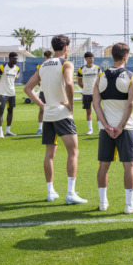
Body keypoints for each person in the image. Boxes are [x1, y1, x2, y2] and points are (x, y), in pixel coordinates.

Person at [24, 35, 87, 204]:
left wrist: (42, 105)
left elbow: (27, 88)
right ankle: (70, 193)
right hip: (62, 113)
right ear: (66, 47)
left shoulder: (43, 65)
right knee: (73, 152)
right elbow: (69, 83)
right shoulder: (66, 64)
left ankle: (50, 192)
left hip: (49, 115)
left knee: (49, 155)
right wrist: (70, 105)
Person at [92, 42, 133, 214]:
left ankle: (102, 202)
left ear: (111, 56)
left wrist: (106, 125)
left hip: (106, 129)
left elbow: (96, 103)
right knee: (129, 165)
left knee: (103, 165)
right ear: (126, 57)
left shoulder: (101, 76)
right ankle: (129, 205)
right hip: (126, 128)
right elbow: (130, 104)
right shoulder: (131, 76)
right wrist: (120, 126)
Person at [0, 51, 21, 138]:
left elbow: (14, 79)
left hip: (11, 93)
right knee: (1, 111)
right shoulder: (2, 67)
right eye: (15, 59)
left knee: (10, 111)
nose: (16, 60)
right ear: (10, 59)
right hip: (2, 93)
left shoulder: (17, 69)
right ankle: (0, 132)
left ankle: (8, 131)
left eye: (17, 59)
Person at [77, 51, 102, 135]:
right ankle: (90, 129)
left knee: (98, 111)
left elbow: (101, 80)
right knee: (88, 111)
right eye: (90, 58)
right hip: (86, 93)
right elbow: (79, 82)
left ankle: (100, 129)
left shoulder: (97, 68)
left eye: (92, 58)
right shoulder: (81, 69)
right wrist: (85, 88)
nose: (91, 60)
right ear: (86, 59)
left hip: (95, 93)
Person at [35, 50, 53, 135]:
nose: (49, 59)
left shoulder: (54, 65)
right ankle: (40, 128)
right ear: (44, 58)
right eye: (48, 57)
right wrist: (42, 85)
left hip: (53, 91)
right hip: (43, 91)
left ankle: (53, 127)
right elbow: (37, 80)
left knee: (53, 108)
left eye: (50, 57)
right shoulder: (40, 66)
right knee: (42, 109)